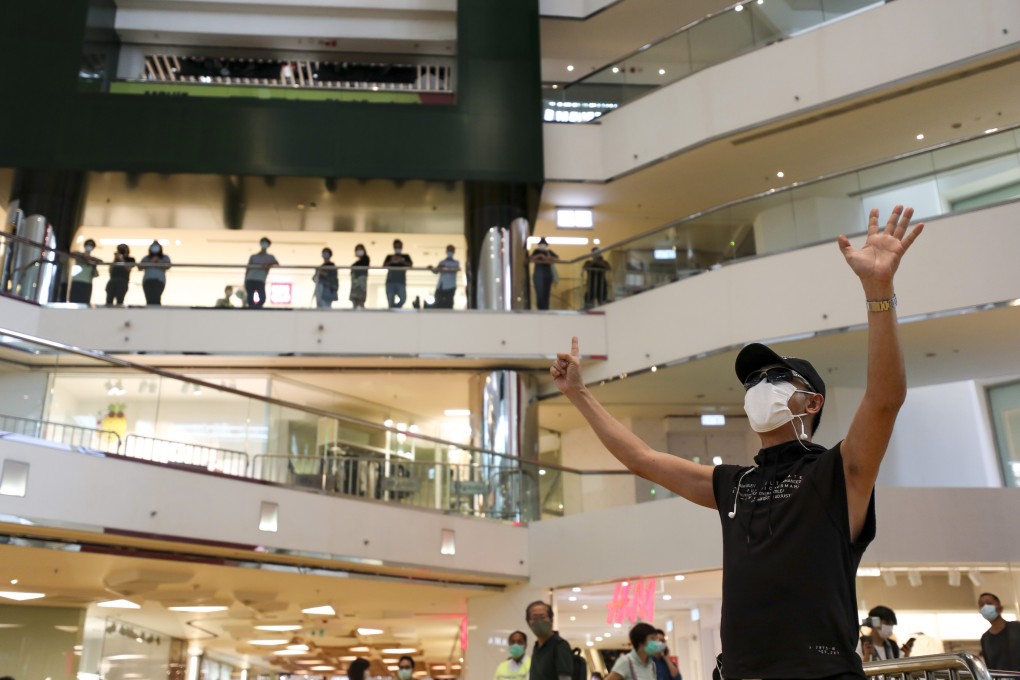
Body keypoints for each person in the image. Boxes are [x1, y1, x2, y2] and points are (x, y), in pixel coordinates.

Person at [551, 206, 924, 680]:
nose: (759, 388)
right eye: (752, 382)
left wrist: (879, 292)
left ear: (811, 403)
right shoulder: (734, 483)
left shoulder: (838, 471)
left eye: (775, 377)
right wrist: (579, 395)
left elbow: (885, 399)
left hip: (821, 673)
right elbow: (642, 458)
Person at [525, 600, 572, 680]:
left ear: (551, 620)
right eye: (535, 618)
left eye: (542, 617)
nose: (539, 621)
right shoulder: (537, 647)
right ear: (529, 622)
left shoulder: (560, 645)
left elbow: (565, 678)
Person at [979, 592, 1020, 671]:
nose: (985, 607)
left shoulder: (1016, 627)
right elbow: (990, 666)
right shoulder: (985, 639)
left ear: (1000, 607)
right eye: (981, 605)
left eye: (989, 603)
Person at [245, 236, 278, 308]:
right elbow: (248, 268)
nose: (264, 244)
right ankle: (251, 309)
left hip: (260, 279)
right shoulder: (253, 256)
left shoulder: (270, 257)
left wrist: (269, 264)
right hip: (250, 279)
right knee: (250, 298)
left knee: (262, 298)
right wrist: (245, 280)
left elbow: (276, 263)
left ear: (268, 245)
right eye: (263, 242)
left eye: (265, 243)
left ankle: (257, 308)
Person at [424, 244, 459, 308]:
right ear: (446, 251)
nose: (450, 252)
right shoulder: (442, 262)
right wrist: (431, 268)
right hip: (441, 285)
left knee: (449, 302)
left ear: (454, 252)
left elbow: (454, 270)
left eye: (451, 250)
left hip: (450, 286)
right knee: (437, 301)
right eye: (449, 250)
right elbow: (436, 271)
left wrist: (444, 267)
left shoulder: (456, 262)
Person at [529, 238, 560, 310]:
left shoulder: (549, 252)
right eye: (541, 244)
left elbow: (557, 258)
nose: (542, 246)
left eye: (544, 245)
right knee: (539, 293)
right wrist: (539, 256)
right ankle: (540, 308)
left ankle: (546, 308)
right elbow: (531, 258)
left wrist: (548, 258)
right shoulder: (536, 251)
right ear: (539, 245)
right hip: (538, 275)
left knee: (546, 293)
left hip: (547, 275)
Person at [383, 238, 413, 308]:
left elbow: (410, 266)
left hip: (401, 282)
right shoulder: (389, 256)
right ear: (393, 247)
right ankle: (391, 310)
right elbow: (384, 266)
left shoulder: (406, 256)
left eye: (399, 246)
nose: (397, 248)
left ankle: (395, 308)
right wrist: (391, 261)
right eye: (396, 247)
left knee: (403, 298)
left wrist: (401, 260)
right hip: (390, 281)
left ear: (401, 247)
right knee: (390, 300)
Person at [139, 241, 171, 306]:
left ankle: (157, 311)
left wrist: (159, 261)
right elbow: (140, 267)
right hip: (147, 280)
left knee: (156, 296)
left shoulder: (164, 257)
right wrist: (150, 261)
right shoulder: (146, 258)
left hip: (159, 280)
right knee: (149, 297)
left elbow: (168, 266)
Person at [69, 238, 100, 304]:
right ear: (85, 245)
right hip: (77, 281)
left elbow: (95, 274)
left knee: (84, 303)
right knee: (73, 301)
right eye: (88, 244)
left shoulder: (93, 261)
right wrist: (86, 258)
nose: (89, 246)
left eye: (91, 245)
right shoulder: (79, 256)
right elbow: (72, 253)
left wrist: (92, 263)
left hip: (87, 284)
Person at [350, 243, 370, 308]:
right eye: (357, 250)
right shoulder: (356, 262)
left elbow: (362, 265)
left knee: (360, 299)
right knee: (355, 299)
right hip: (355, 283)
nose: (359, 251)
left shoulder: (366, 259)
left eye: (360, 249)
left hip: (361, 282)